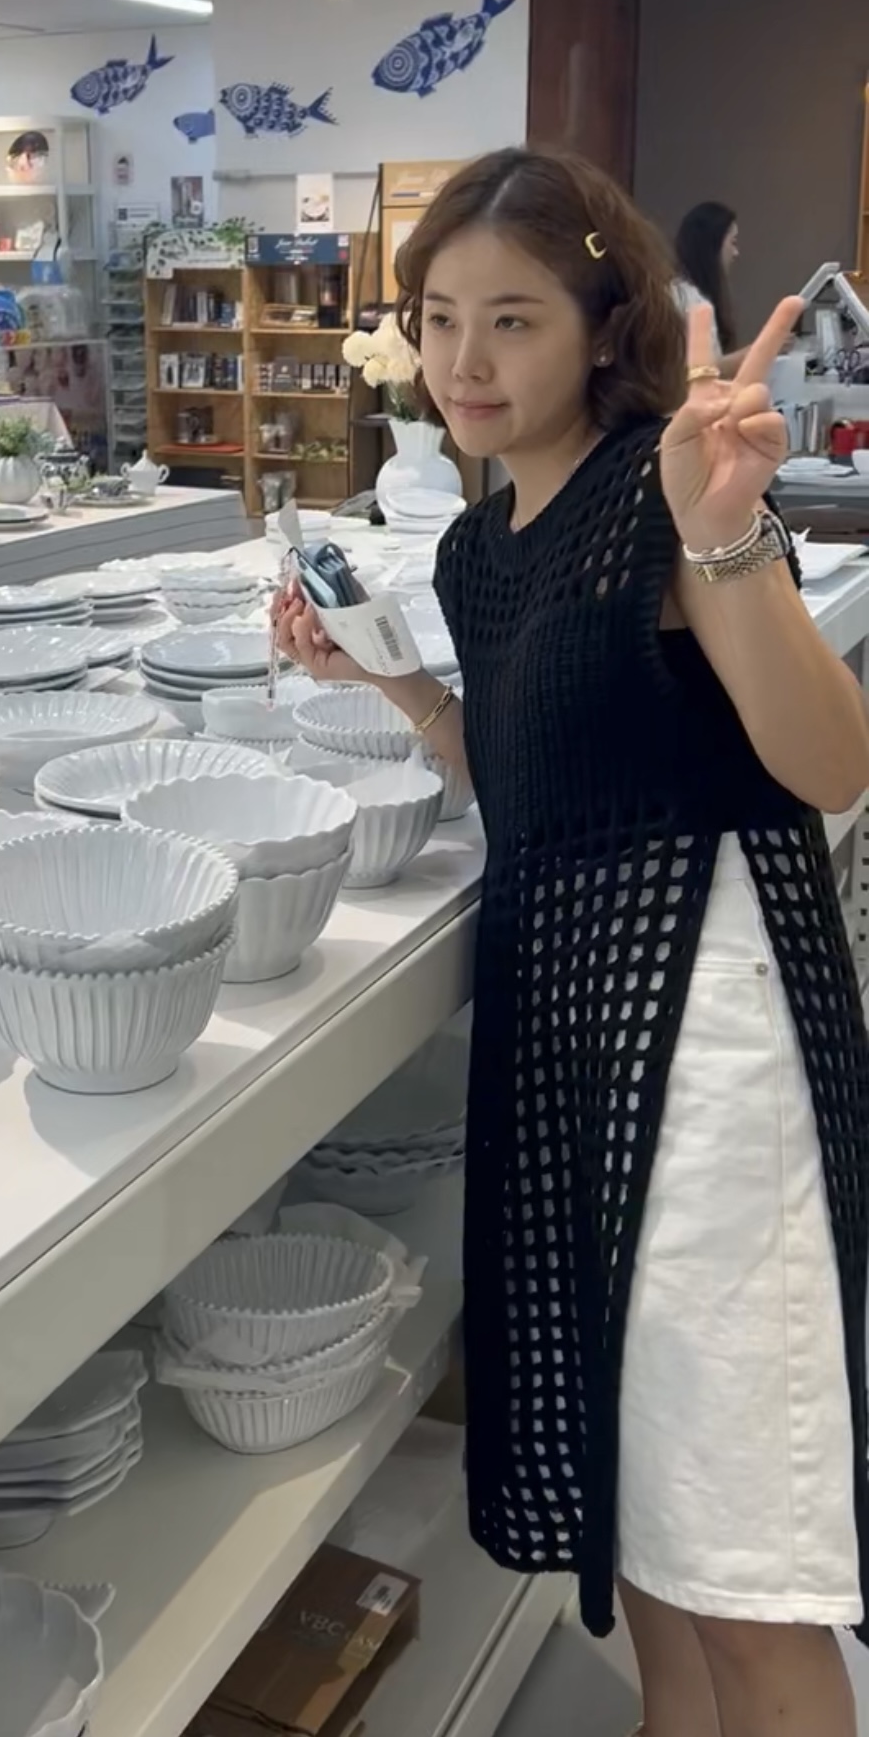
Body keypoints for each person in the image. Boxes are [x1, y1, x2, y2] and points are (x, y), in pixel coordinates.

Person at [275, 148, 869, 1737]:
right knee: (649, 1521)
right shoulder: (477, 550)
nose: (462, 361)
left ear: (602, 325)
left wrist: (724, 536)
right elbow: (524, 775)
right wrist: (389, 679)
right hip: (577, 1051)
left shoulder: (658, 489)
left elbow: (829, 763)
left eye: (511, 319)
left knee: (741, 1574)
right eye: (436, 318)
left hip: (708, 1050)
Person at [672, 200, 745, 377]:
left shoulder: (683, 293)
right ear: (713, 245)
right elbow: (704, 371)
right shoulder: (689, 300)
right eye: (733, 242)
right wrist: (762, 348)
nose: (736, 253)